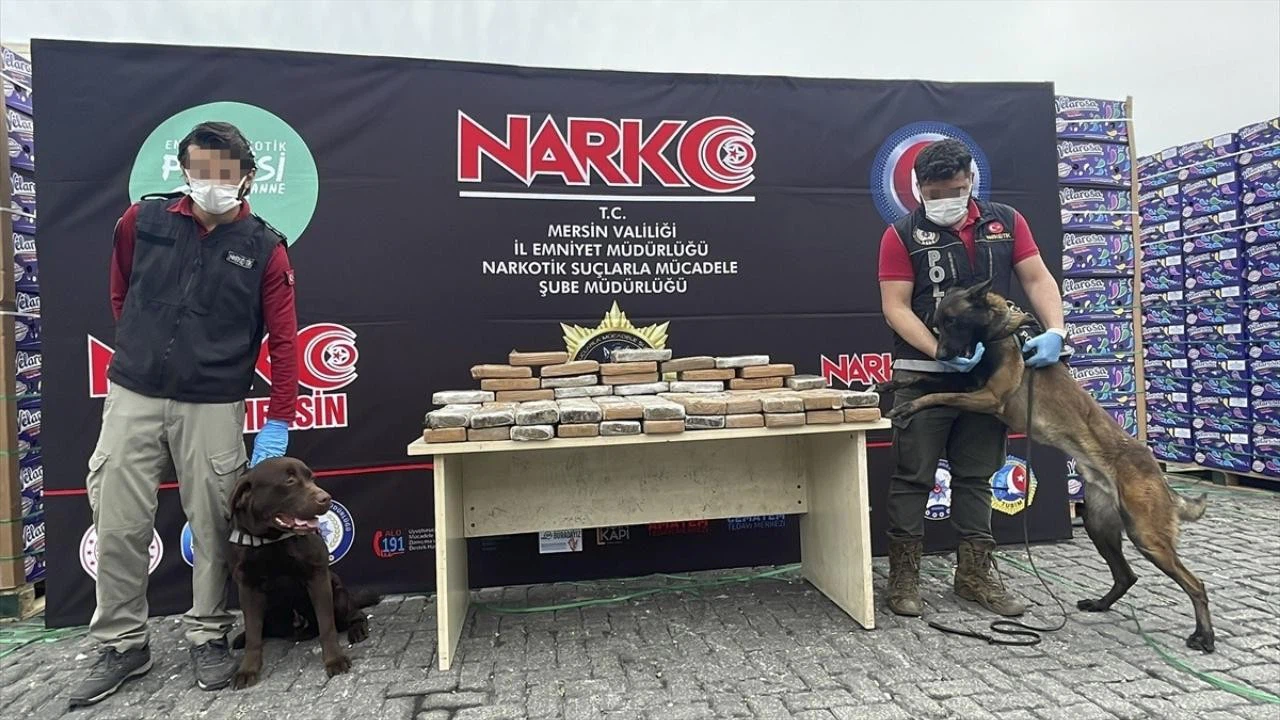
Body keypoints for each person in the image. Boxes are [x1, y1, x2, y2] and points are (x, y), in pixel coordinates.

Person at [69, 121, 300, 707]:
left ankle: (209, 633)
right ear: (184, 171)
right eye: (201, 170)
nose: (212, 182)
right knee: (117, 518)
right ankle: (122, 643)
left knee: (216, 524)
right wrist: (144, 353)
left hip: (214, 401)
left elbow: (284, 341)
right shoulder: (140, 221)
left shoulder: (266, 248)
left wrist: (278, 420)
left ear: (248, 177)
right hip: (134, 393)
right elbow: (122, 296)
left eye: (225, 172)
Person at [876, 138, 1066, 619]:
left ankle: (975, 575)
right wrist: (939, 351)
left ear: (970, 180)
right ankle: (903, 578)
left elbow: (1037, 278)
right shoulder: (900, 234)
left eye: (956, 190)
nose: (946, 199)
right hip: (923, 376)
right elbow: (896, 306)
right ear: (918, 187)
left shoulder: (1007, 221)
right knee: (912, 476)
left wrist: (1056, 330)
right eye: (935, 193)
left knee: (977, 474)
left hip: (988, 376)